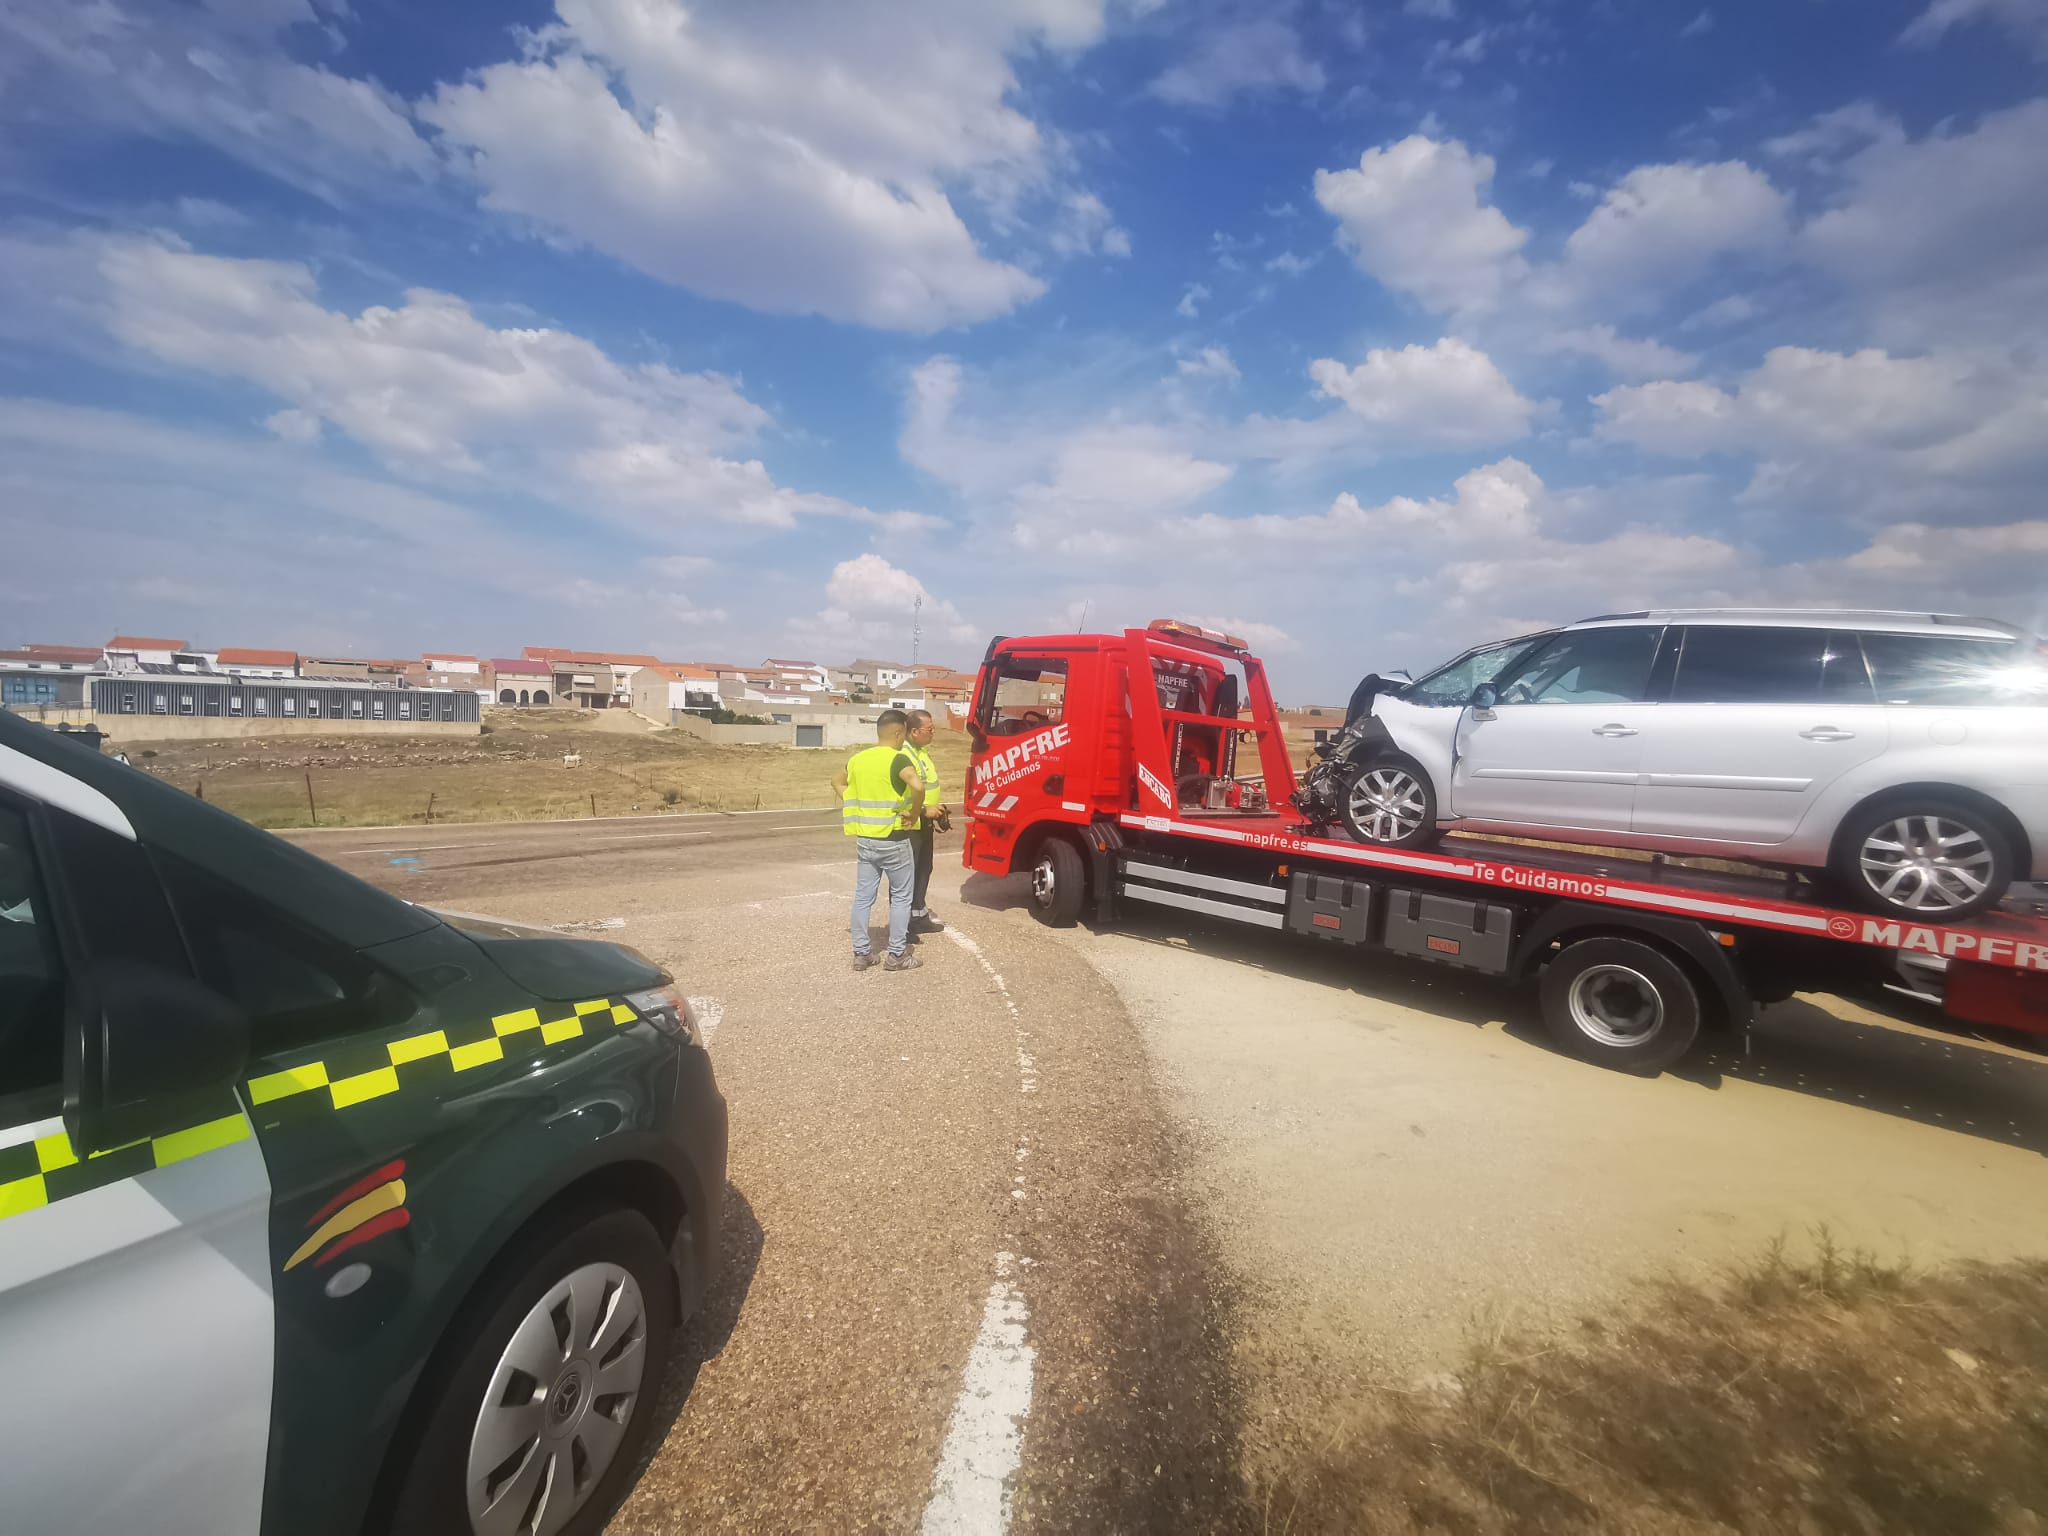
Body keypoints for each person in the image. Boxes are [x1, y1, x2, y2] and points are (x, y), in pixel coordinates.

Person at [833, 709, 927, 971]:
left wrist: (854, 801)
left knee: (863, 897)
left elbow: (836, 781)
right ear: (898, 733)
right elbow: (918, 787)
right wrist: (915, 812)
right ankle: (897, 955)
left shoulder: (858, 759)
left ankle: (862, 954)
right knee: (900, 897)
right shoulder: (898, 759)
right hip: (894, 839)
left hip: (866, 840)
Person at [901, 709, 947, 938]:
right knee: (906, 875)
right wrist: (923, 810)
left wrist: (935, 810)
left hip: (925, 822)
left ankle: (918, 917)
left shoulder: (921, 752)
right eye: (930, 729)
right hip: (911, 824)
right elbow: (900, 796)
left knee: (923, 870)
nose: (933, 732)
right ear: (915, 731)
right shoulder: (905, 754)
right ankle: (902, 926)